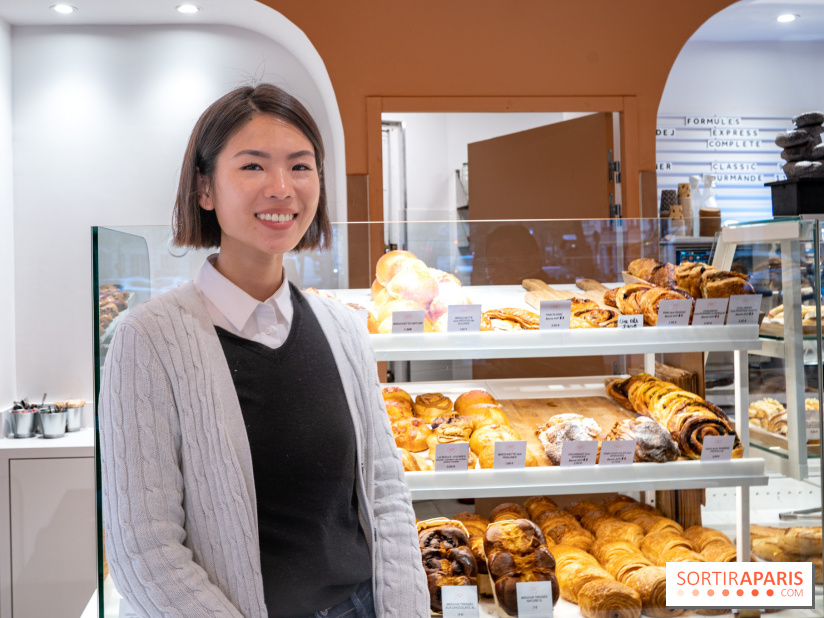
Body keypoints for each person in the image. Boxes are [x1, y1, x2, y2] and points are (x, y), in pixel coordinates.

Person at [99, 84, 429, 617]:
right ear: (204, 188)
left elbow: (386, 496)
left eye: (300, 167)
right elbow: (144, 551)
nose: (281, 188)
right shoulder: (149, 340)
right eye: (253, 166)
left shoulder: (344, 329)